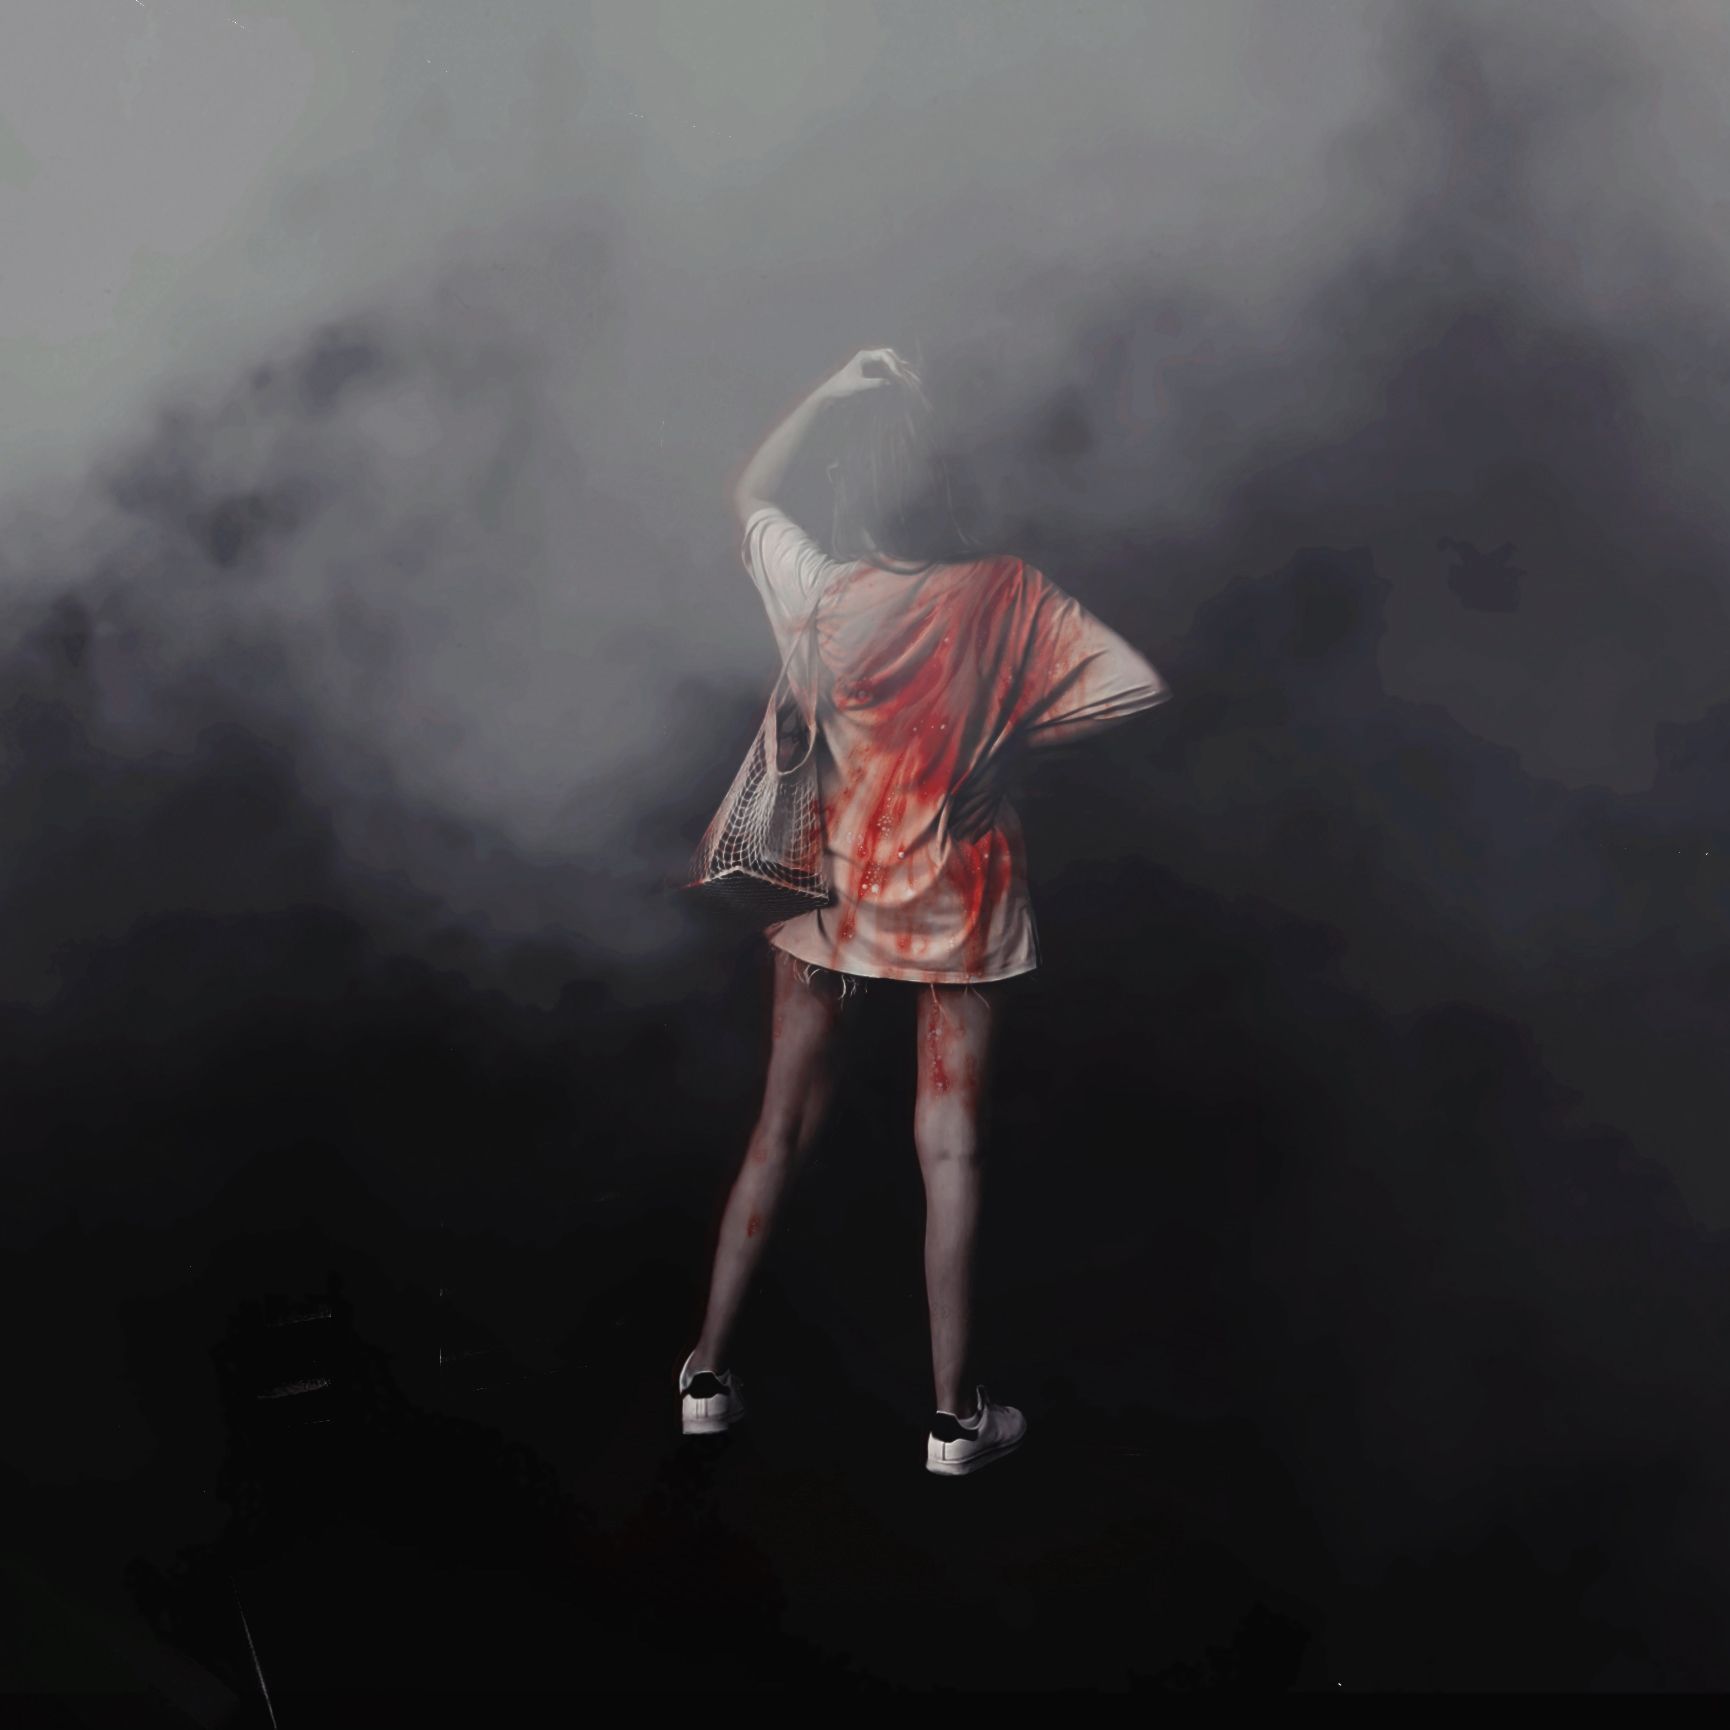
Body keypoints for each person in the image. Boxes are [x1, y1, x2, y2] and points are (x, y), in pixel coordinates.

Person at [679, 348, 1172, 1476]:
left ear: (853, 494)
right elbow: (1134, 686)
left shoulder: (821, 593)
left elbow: (747, 493)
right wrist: (1011, 748)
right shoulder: (1004, 591)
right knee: (948, 1146)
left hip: (831, 897)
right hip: (959, 897)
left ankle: (704, 1377)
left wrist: (826, 390)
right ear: (947, 485)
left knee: (776, 1128)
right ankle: (953, 1423)